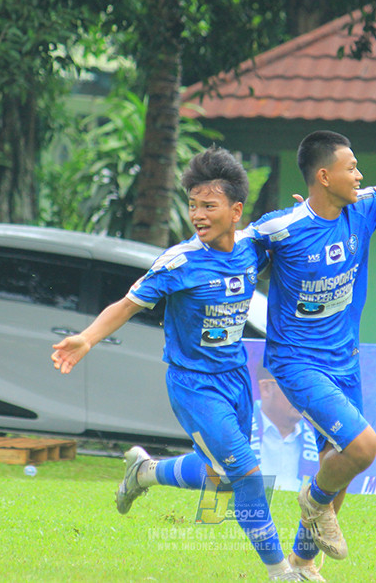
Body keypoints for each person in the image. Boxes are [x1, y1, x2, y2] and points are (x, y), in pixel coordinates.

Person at [51, 146, 304, 582]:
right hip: (193, 385)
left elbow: (292, 228)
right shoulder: (179, 262)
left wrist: (307, 219)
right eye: (193, 206)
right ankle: (281, 572)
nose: (199, 215)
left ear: (236, 209)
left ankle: (145, 472)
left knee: (219, 476)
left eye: (210, 205)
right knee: (244, 470)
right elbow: (127, 304)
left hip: (235, 380)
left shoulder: (250, 247)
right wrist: (88, 338)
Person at [247, 103, 376, 579]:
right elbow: (233, 259)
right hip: (296, 363)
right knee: (361, 448)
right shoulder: (283, 228)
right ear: (323, 176)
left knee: (340, 468)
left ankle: (301, 563)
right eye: (350, 167)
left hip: (344, 361)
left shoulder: (363, 209)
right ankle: (311, 500)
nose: (360, 174)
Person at [250, 362, 319, 492]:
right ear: (266, 388)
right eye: (296, 387)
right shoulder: (236, 433)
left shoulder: (320, 442)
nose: (305, 396)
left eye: (308, 388)